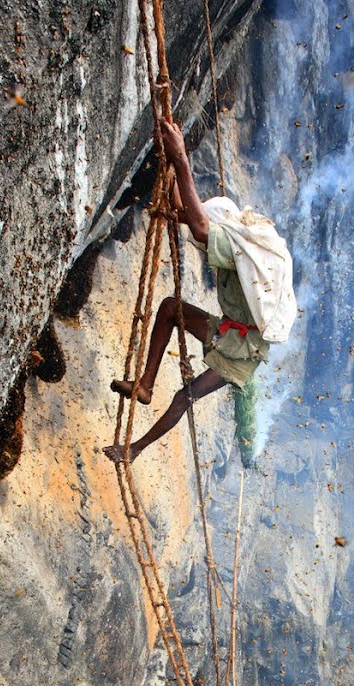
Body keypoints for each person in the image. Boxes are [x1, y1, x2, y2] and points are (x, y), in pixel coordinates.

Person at [102, 120, 273, 464]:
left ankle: (134, 450)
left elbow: (197, 224)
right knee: (169, 308)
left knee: (184, 396)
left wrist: (181, 158)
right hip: (229, 330)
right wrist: (170, 169)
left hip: (244, 351)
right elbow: (186, 214)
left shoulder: (241, 252)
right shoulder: (228, 241)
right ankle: (145, 385)